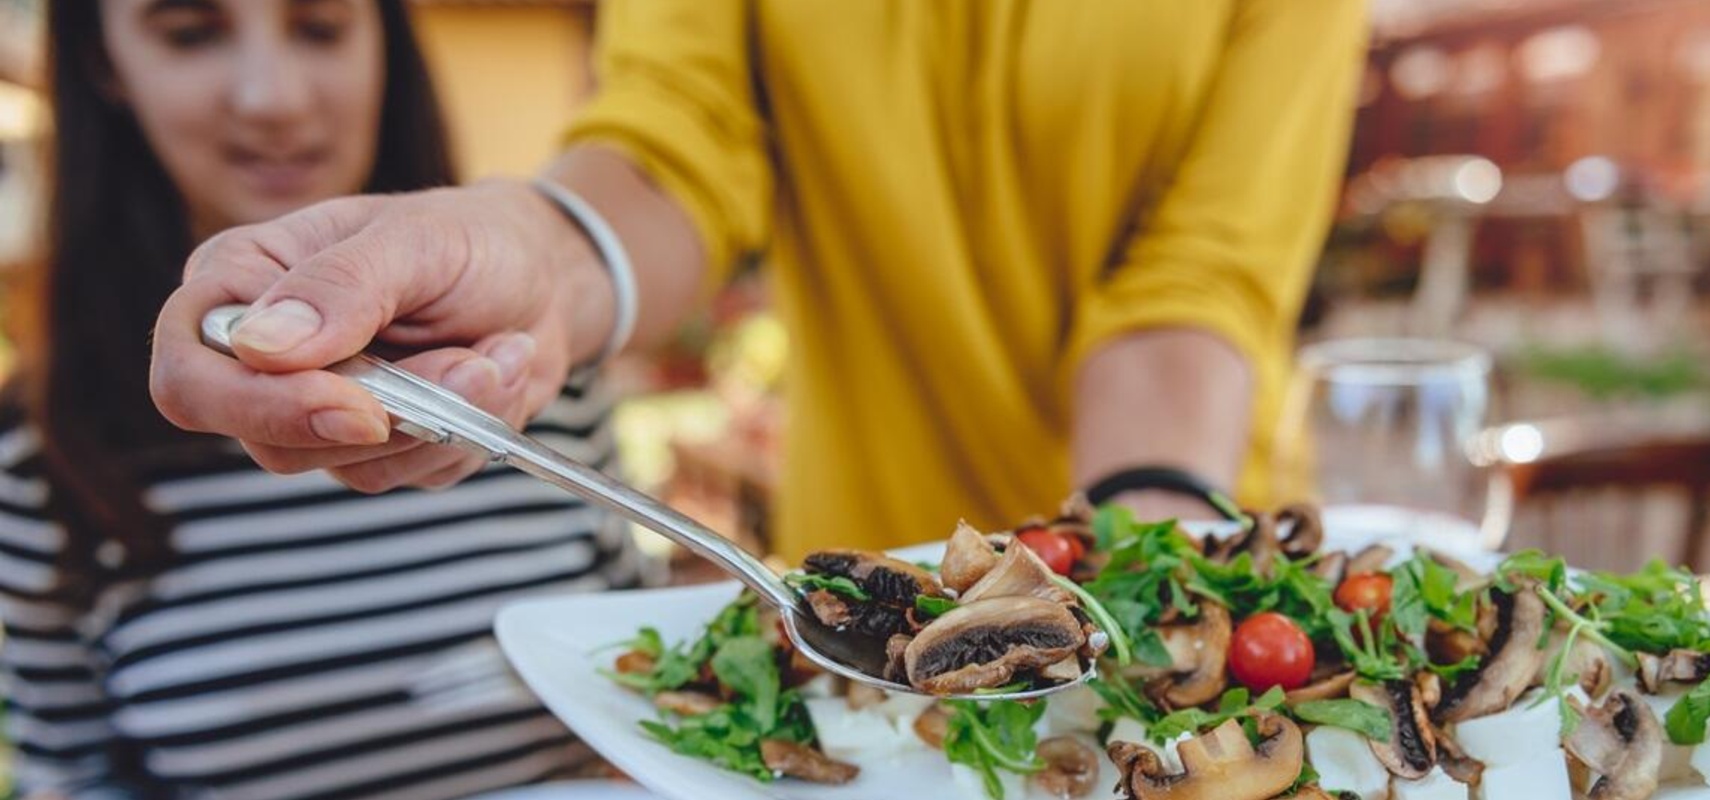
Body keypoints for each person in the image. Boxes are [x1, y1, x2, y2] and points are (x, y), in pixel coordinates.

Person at [151, 0, 1367, 562]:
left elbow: (1201, 275)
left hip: (1192, 535)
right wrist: (540, 253)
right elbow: (683, 136)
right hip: (868, 581)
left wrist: (1135, 566)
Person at [1, 1, 641, 797]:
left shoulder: (531, 364)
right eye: (191, 34)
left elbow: (643, 686)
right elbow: (67, 778)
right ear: (105, 64)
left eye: (321, 26)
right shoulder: (40, 459)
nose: (275, 99)